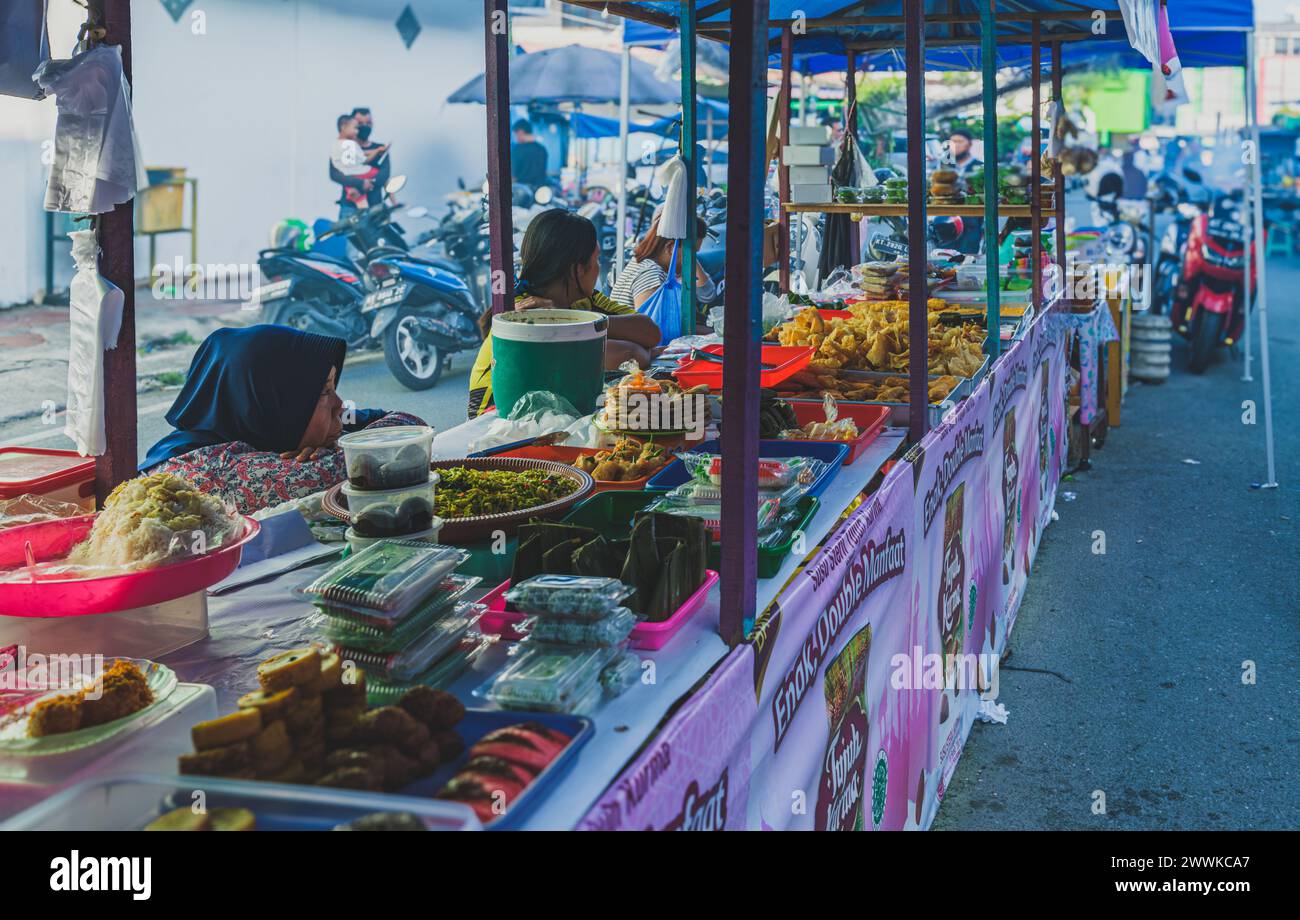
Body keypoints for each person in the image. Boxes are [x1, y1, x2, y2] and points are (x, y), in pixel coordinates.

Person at [141, 325, 424, 514]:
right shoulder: (214, 470)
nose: (340, 405)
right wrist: (341, 451)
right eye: (324, 392)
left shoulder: (240, 422)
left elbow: (402, 423)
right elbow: (397, 447)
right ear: (271, 403)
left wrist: (332, 443)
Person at [467, 209, 660, 420]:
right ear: (577, 270)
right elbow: (631, 354)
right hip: (493, 427)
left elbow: (650, 332)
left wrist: (574, 319)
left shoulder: (584, 301)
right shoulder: (527, 314)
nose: (598, 268)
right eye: (595, 261)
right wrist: (580, 324)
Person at [608, 213, 717, 312]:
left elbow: (707, 294)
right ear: (670, 247)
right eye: (691, 254)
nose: (692, 261)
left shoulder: (642, 263)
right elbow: (648, 329)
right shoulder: (651, 275)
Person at [330, 114, 388, 217]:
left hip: (375, 205)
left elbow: (384, 174)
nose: (363, 127)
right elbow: (334, 174)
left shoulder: (378, 147)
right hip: (349, 207)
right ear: (344, 126)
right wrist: (360, 183)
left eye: (368, 123)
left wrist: (369, 183)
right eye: (359, 125)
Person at [511, 119, 549, 189]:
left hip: (522, 192)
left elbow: (513, 176)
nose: (516, 138)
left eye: (515, 135)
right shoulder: (542, 149)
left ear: (520, 132)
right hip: (539, 192)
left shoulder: (517, 150)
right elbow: (543, 173)